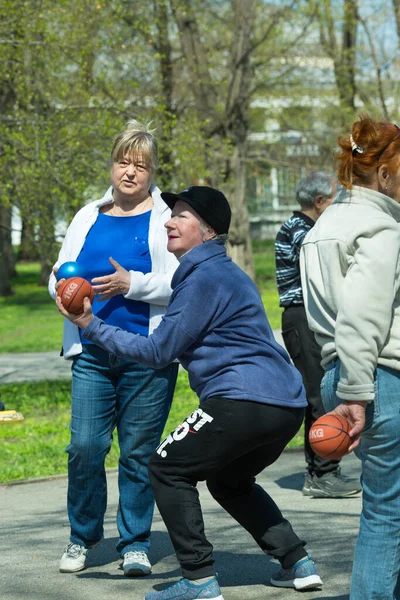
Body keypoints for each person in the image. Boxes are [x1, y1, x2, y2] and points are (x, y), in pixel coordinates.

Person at [57, 185, 323, 600]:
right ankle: (297, 562)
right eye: (171, 214)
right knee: (230, 480)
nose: (169, 221)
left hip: (242, 399)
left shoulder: (204, 279)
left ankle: (199, 580)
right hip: (284, 404)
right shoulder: (225, 273)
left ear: (209, 231)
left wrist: (91, 326)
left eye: (181, 215)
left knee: (165, 467)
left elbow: (158, 351)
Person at [48, 119, 179, 576]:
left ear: (152, 171)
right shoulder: (89, 214)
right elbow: (59, 271)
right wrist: (63, 292)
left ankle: (136, 543)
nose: (130, 172)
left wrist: (132, 283)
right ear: (111, 164)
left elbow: (182, 282)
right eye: (123, 161)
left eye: (140, 165)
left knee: (138, 452)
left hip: (146, 354)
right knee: (84, 447)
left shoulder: (167, 218)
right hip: (92, 353)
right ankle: (81, 537)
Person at [300, 114, 400, 600]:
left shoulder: (321, 227)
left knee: (383, 508)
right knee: (386, 513)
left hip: (339, 371)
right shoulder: (381, 228)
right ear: (383, 172)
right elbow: (361, 318)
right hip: (378, 378)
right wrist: (358, 395)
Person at [275, 172, 362, 498]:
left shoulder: (308, 228)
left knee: (326, 391)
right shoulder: (301, 231)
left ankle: (326, 469)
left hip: (314, 317)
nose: (340, 201)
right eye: (336, 196)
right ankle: (321, 475)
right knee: (319, 395)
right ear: (320, 202)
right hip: (301, 318)